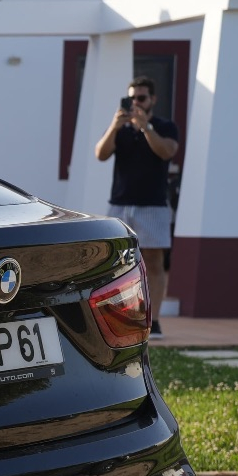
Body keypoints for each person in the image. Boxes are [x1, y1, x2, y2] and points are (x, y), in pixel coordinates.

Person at [94, 76, 179, 335]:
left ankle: (154, 320)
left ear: (152, 99)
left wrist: (146, 128)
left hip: (153, 205)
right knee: (116, 262)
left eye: (141, 98)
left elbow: (167, 151)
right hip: (120, 204)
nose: (136, 103)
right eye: (131, 98)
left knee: (153, 262)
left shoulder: (164, 126)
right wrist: (114, 126)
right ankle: (121, 318)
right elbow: (101, 154)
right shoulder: (120, 129)